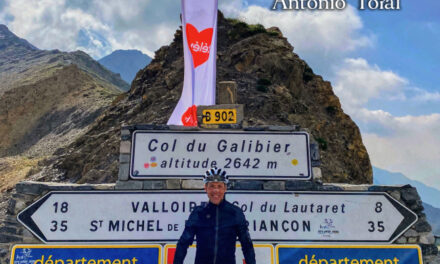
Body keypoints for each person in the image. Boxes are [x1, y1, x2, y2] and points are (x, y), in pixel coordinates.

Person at [173, 167, 256, 264]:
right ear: (206, 188)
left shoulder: (235, 213)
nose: (215, 190)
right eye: (212, 186)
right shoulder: (198, 213)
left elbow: (247, 244)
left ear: (225, 188)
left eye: (219, 186)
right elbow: (183, 243)